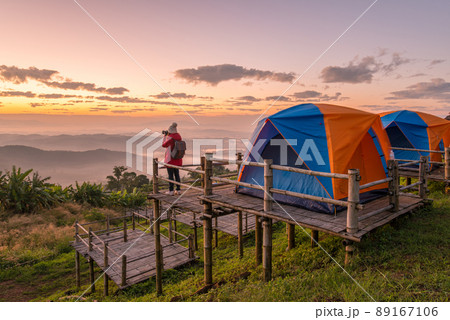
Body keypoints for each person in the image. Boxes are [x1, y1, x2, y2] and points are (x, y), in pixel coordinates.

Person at [162, 122, 182, 195]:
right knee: (177, 175)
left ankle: (171, 191)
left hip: (170, 159)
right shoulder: (179, 136)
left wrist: (165, 136)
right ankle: (178, 190)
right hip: (177, 158)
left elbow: (164, 145)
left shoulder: (170, 138)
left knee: (170, 175)